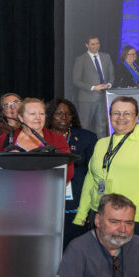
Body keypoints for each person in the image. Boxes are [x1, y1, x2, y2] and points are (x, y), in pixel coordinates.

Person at [74, 97, 139, 245]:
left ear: (136, 117)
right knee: (99, 260)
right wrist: (82, 213)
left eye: (127, 113)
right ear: (110, 116)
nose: (121, 117)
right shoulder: (102, 144)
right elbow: (91, 179)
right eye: (116, 113)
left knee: (131, 260)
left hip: (135, 220)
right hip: (100, 217)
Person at [49, 98, 97, 247]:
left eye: (68, 114)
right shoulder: (41, 137)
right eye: (59, 113)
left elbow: (93, 172)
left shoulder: (86, 138)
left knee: (77, 246)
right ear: (50, 115)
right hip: (49, 203)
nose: (64, 117)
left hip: (78, 202)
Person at [72, 36, 113, 138]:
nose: (96, 46)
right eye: (93, 44)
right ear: (87, 45)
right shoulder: (81, 59)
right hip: (87, 98)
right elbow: (76, 80)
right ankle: (84, 146)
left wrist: (109, 84)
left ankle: (101, 146)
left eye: (97, 43)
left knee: (102, 127)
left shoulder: (106, 57)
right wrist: (93, 87)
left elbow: (111, 76)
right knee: (84, 126)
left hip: (103, 97)